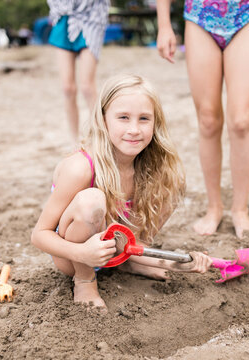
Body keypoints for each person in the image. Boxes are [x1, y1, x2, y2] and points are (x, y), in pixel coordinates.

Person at [31, 74, 212, 310]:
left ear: (155, 123)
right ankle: (85, 280)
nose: (134, 129)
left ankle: (131, 263)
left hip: (117, 250)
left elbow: (130, 240)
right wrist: (82, 253)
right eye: (123, 118)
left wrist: (179, 263)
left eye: (144, 119)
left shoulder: (151, 168)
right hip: (74, 256)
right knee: (92, 201)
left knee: (171, 179)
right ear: (103, 119)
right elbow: (39, 235)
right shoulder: (81, 167)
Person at [156, 0, 249, 239]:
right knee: (208, 120)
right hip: (200, 18)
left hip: (245, 17)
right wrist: (164, 24)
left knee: (241, 121)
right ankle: (214, 207)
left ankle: (240, 210)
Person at [47, 0, 110, 144]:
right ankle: (74, 141)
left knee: (87, 87)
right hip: (62, 16)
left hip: (91, 18)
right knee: (67, 88)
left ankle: (100, 139)